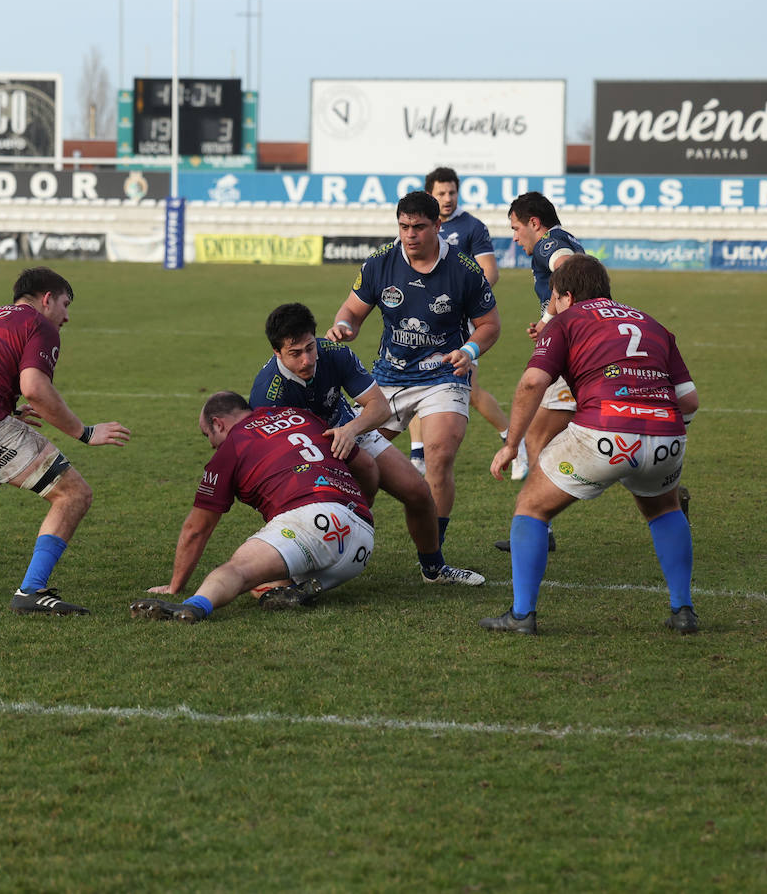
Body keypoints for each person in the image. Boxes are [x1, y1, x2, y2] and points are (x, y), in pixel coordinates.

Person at [480, 255, 699, 636]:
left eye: (552, 297)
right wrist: (658, 434)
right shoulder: (652, 323)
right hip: (667, 435)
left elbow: (533, 383)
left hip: (604, 432)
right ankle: (683, 611)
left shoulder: (565, 321)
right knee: (664, 510)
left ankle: (520, 616)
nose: (550, 305)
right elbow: (690, 401)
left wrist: (511, 443)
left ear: (565, 295)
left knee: (531, 507)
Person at [0, 267, 131, 615]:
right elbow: (35, 388)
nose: (66, 315)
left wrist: (5, 410)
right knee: (74, 494)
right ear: (47, 299)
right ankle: (31, 591)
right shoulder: (39, 324)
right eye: (65, 303)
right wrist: (85, 432)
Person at [249, 302, 483, 586]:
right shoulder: (267, 393)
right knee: (330, 512)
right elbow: (273, 456)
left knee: (418, 492)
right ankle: (287, 566)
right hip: (305, 454)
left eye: (310, 348)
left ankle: (434, 570)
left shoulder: (334, 353)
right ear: (277, 352)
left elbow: (380, 407)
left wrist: (350, 430)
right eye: (294, 354)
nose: (307, 360)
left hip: (350, 429)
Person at [325, 190, 500, 551]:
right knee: (346, 452)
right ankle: (334, 530)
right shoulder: (379, 263)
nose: (410, 235)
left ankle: (433, 551)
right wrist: (344, 326)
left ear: (438, 226)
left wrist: (469, 349)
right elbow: (351, 312)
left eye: (419, 227)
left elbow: (490, 325)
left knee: (438, 452)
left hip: (443, 375)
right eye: (404, 226)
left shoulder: (465, 271)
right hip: (389, 378)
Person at [129, 392, 374, 623]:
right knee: (262, 581)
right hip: (361, 543)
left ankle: (194, 606)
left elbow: (196, 529)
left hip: (310, 521)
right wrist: (360, 509)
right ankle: (295, 589)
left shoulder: (233, 445)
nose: (212, 446)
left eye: (208, 436)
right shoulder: (302, 416)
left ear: (219, 424)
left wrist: (175, 585)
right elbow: (369, 467)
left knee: (239, 571)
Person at [406, 167, 521, 477]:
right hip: (421, 322)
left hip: (459, 321)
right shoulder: (417, 226)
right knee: (417, 379)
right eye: (441, 193)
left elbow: (490, 272)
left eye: (452, 192)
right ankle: (418, 455)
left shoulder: (471, 227)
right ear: (430, 194)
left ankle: (513, 440)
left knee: (468, 388)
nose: (448, 198)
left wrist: (458, 299)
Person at [492, 191, 587, 552]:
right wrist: (548, 321)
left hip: (572, 354)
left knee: (535, 438)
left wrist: (552, 321)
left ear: (534, 223)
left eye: (516, 228)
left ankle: (535, 528)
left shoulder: (550, 244)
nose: (514, 237)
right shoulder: (566, 238)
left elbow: (567, 271)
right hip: (580, 346)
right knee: (600, 432)